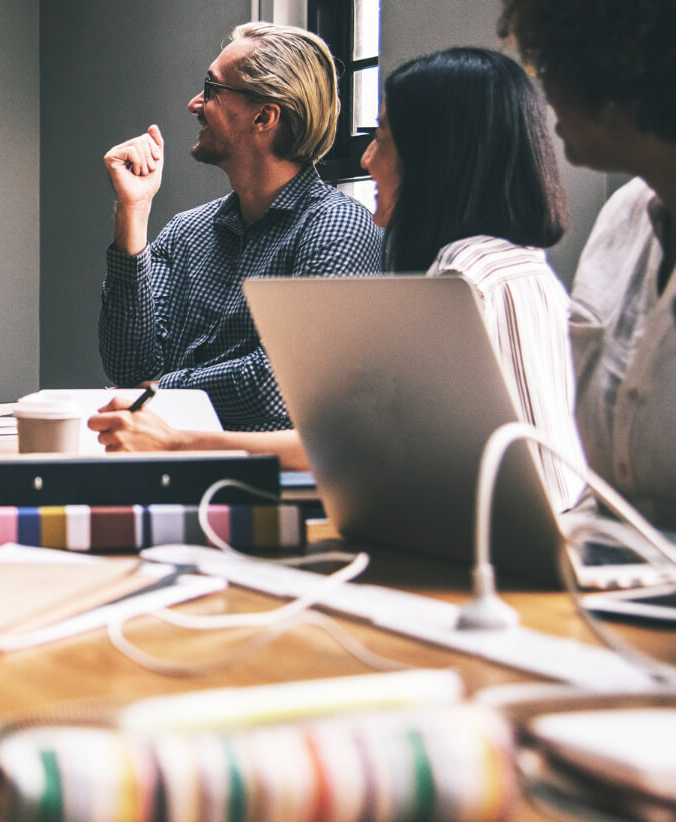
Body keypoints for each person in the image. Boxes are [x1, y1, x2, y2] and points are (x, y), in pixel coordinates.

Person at [91, 47, 586, 512]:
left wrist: (169, 417)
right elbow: (129, 364)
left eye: (383, 139)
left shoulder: (462, 280)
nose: (367, 160)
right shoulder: (507, 268)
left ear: (436, 159)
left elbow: (349, 435)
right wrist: (133, 215)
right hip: (520, 539)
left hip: (513, 556)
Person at [98, 22, 383, 433]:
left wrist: (159, 391)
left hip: (260, 487)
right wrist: (133, 210)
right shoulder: (186, 232)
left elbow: (279, 387)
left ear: (264, 116)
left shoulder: (337, 227)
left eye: (211, 88)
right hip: (165, 468)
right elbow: (128, 367)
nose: (195, 103)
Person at [501, 0, 676, 533]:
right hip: (605, 586)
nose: (545, 91)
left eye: (554, 64)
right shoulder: (620, 221)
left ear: (619, 69)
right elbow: (606, 495)